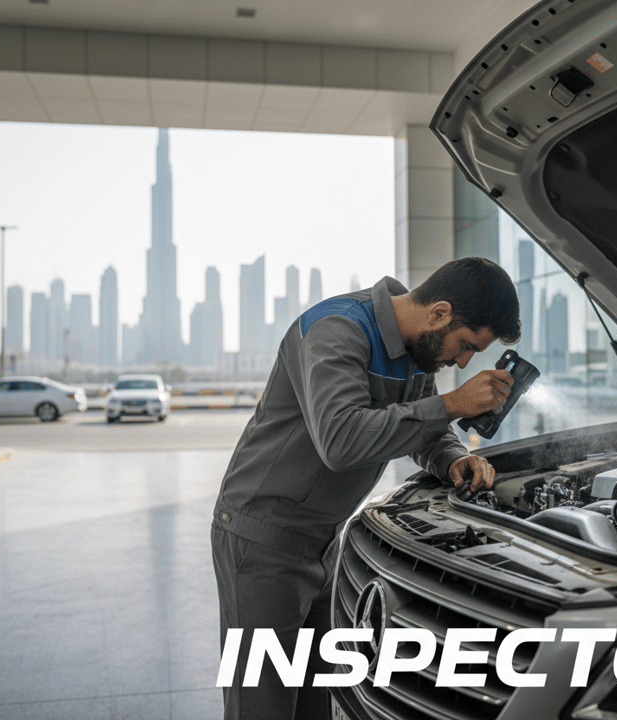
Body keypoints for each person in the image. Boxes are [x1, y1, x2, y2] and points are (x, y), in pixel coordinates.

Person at [211, 257, 521, 719]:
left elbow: (425, 430)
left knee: (317, 701)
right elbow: (341, 440)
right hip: (263, 541)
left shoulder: (416, 351)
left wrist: (454, 459)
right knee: (263, 706)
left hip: (324, 541)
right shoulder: (336, 329)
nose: (462, 361)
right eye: (465, 346)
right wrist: (453, 402)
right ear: (438, 313)